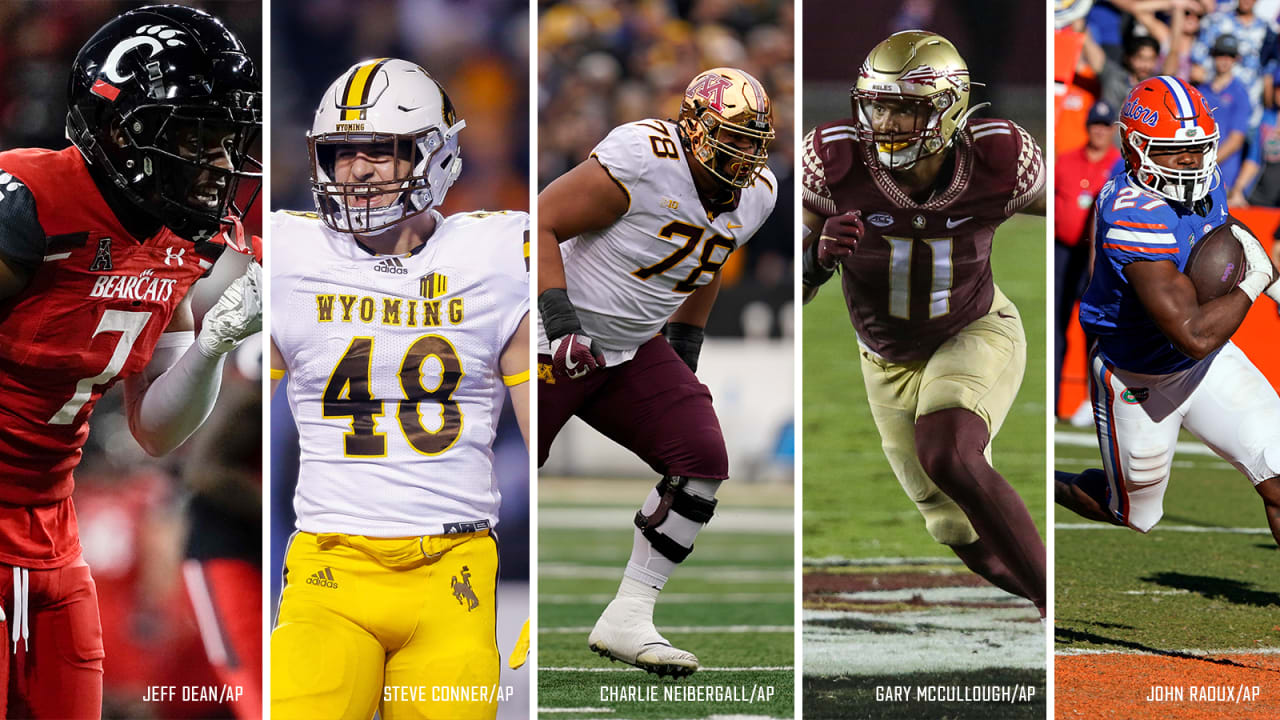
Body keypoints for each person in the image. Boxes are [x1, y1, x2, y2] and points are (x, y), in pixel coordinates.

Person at [0, 6, 261, 717]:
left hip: (53, 534)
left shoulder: (179, 240)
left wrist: (216, 343)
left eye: (227, 136)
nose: (218, 161)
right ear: (123, 129)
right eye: (199, 134)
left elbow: (155, 430)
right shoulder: (31, 201)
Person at [269, 58, 529, 720]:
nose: (357, 169)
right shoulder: (289, 255)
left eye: (381, 150)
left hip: (453, 571)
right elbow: (229, 420)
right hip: (328, 568)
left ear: (436, 152)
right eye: (341, 151)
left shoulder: (499, 254)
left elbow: (541, 431)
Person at [536, 67, 777, 677]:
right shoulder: (643, 157)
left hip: (630, 346)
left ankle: (629, 615)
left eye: (754, 139)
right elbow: (538, 221)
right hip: (544, 338)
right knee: (494, 473)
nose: (744, 153)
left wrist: (685, 348)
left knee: (700, 457)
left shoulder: (759, 193)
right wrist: (561, 323)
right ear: (692, 129)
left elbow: (708, 260)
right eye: (732, 136)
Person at [801, 30, 1047, 617]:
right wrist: (813, 253)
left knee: (948, 452)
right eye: (877, 105)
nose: (884, 122)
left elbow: (1072, 219)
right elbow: (794, 285)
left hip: (973, 329)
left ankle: (1051, 606)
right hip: (885, 358)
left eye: (905, 109)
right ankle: (1051, 597)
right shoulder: (833, 162)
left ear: (947, 109)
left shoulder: (999, 158)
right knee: (960, 536)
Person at [1056, 75, 1280, 545]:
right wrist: (1257, 280)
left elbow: (1225, 230)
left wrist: (1273, 281)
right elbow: (1193, 333)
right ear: (1134, 148)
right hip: (1140, 376)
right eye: (1171, 150)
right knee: (1134, 513)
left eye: (1198, 148)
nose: (1189, 161)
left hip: (1207, 364)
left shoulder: (1204, 180)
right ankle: (1044, 482)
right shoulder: (1132, 213)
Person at [1056, 101, 1121, 419]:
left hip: (1099, 255)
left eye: (1105, 126)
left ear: (1112, 131)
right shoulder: (1065, 161)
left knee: (1095, 327)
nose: (1099, 130)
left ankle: (1091, 399)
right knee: (1057, 324)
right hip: (1063, 251)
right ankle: (1054, 403)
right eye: (1095, 124)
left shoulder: (1119, 166)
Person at [1198, 34, 1252, 192]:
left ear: (1236, 59)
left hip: (1222, 177)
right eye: (1221, 54)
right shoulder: (1200, 91)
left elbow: (1236, 140)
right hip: (1196, 173)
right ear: (1213, 55)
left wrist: (1205, 166)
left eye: (1230, 55)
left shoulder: (1240, 94)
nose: (1225, 60)